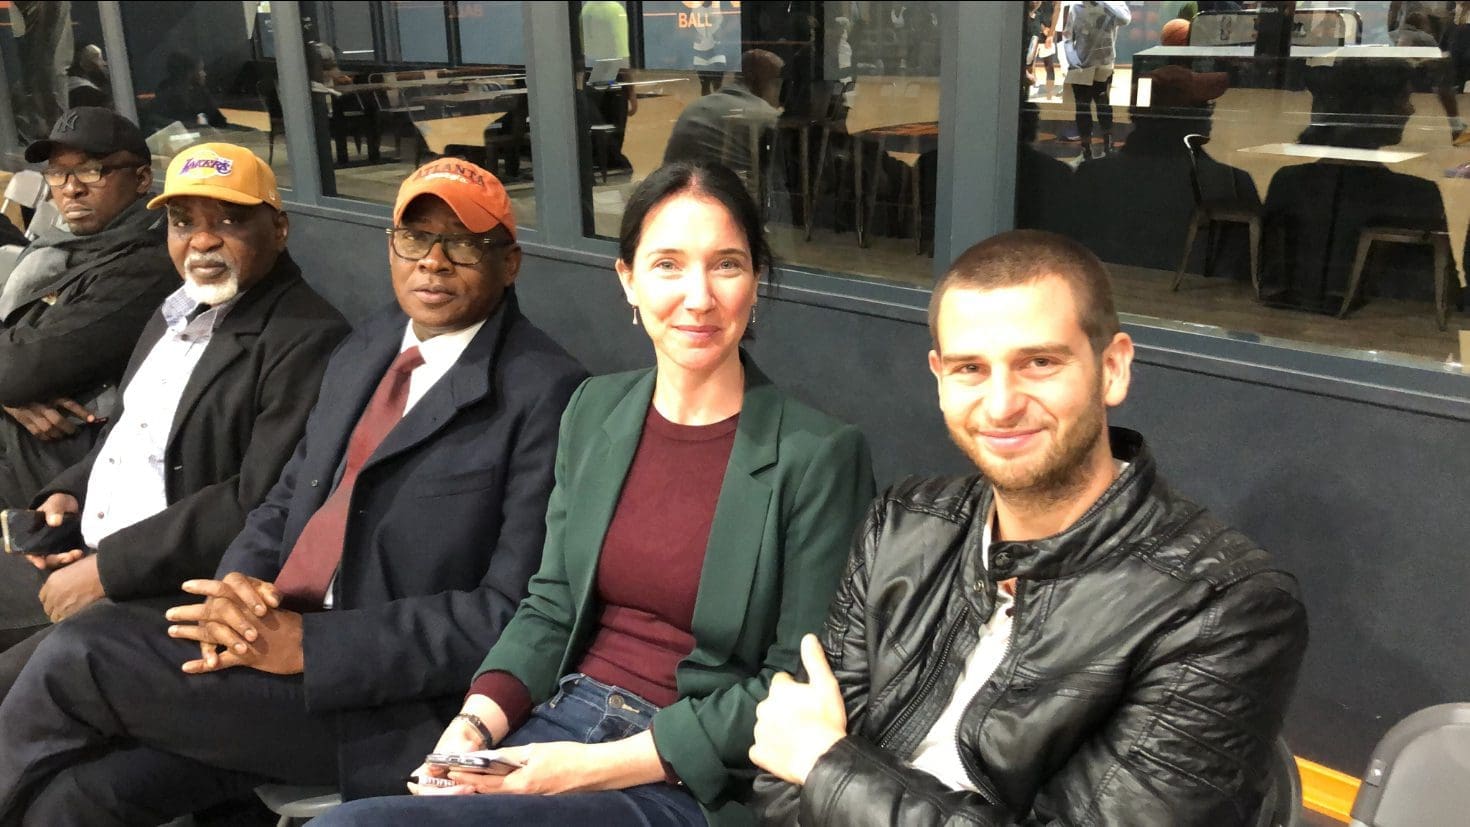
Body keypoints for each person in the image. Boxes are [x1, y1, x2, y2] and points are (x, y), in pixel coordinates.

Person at [0, 158, 587, 823]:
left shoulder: (546, 394)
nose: (433, 261)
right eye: (416, 238)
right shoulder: (370, 345)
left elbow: (510, 612)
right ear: (390, 247)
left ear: (510, 263)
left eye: (464, 243)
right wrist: (237, 587)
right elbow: (285, 496)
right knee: (77, 798)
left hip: (378, 700)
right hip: (269, 644)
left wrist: (311, 647)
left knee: (80, 655)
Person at [313, 160, 875, 827]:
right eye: (667, 265)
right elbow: (550, 603)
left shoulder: (817, 454)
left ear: (756, 281)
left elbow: (793, 685)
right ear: (628, 280)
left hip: (684, 776)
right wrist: (475, 725)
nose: (699, 296)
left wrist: (584, 769)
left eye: (726, 264)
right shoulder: (594, 408)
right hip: (555, 722)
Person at [747, 230, 1308, 825]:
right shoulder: (903, 524)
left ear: (1112, 368)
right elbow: (783, 771)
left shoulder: (1224, 607)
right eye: (970, 368)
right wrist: (816, 763)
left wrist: (827, 765)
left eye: (1039, 363)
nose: (1001, 404)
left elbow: (809, 760)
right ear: (939, 379)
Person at [0, 142, 349, 692]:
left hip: (162, 587)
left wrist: (106, 570)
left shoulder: (307, 339)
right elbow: (129, 429)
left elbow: (259, 499)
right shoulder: (178, 309)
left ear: (279, 229)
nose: (202, 240)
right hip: (85, 546)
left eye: (229, 220)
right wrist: (70, 492)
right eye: (183, 222)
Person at [0, 107, 177, 511]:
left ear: (142, 179)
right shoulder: (65, 246)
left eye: (92, 171)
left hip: (63, 469)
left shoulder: (149, 263)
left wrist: (10, 385)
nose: (71, 189)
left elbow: (19, 371)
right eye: (58, 173)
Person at [663, 50, 784, 181]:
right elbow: (777, 180)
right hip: (722, 189)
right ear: (769, 83)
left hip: (674, 187)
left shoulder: (695, 107)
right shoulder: (765, 115)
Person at [1062, 1, 1131, 158]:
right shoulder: (1076, 7)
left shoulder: (1114, 4)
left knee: (1103, 106)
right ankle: (1086, 149)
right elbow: (1067, 36)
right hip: (1081, 66)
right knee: (1082, 108)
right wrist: (1072, 58)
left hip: (1103, 65)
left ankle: (1108, 146)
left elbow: (1125, 19)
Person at [150, 51, 226, 130]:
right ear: (189, 73)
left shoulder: (200, 93)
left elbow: (219, 121)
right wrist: (198, 126)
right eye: (200, 70)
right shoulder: (165, 95)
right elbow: (163, 124)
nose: (204, 74)